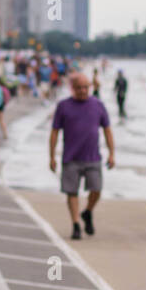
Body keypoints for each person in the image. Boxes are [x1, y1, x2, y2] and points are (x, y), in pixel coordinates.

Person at [50, 72, 115, 239]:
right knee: (72, 192)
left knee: (97, 189)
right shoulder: (63, 106)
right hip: (70, 158)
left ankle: (87, 211)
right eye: (79, 88)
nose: (83, 91)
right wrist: (52, 156)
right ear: (73, 88)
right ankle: (76, 224)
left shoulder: (98, 105)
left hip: (93, 157)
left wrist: (112, 153)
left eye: (86, 87)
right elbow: (55, 132)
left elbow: (107, 130)